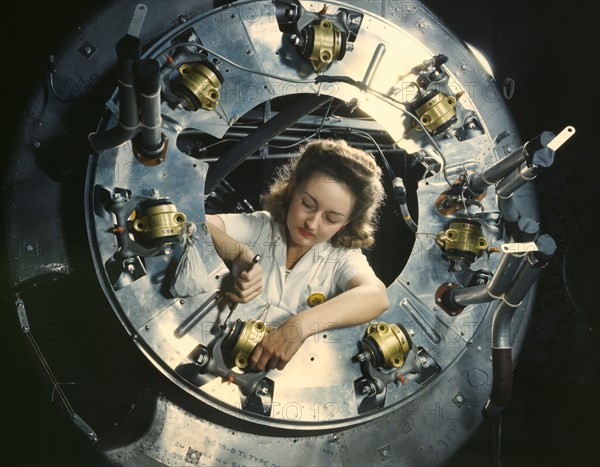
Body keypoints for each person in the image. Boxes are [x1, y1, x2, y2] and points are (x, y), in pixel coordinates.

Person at [206, 138, 388, 371]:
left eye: (331, 218)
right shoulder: (261, 227)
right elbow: (196, 225)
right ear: (292, 190)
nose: (312, 223)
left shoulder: (343, 257)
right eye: (308, 204)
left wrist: (299, 326)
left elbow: (376, 296)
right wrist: (240, 254)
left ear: (344, 225)